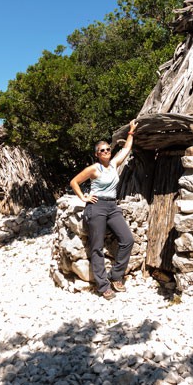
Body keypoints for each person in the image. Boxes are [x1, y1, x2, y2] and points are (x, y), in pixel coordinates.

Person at [70, 119, 138, 300]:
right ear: (97, 154)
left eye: (108, 149)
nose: (106, 152)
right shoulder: (94, 169)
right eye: (102, 150)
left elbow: (126, 149)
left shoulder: (114, 164)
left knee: (127, 239)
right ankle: (102, 286)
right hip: (97, 207)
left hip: (112, 206)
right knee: (97, 247)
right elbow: (74, 182)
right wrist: (83, 197)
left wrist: (131, 132)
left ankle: (116, 276)